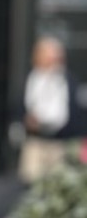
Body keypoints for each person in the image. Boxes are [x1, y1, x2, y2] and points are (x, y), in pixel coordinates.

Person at [20, 34, 83, 181]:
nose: (55, 60)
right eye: (51, 56)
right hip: (35, 143)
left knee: (57, 183)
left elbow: (77, 110)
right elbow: (20, 108)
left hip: (60, 143)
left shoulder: (69, 81)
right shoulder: (30, 79)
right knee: (31, 181)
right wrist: (27, 121)